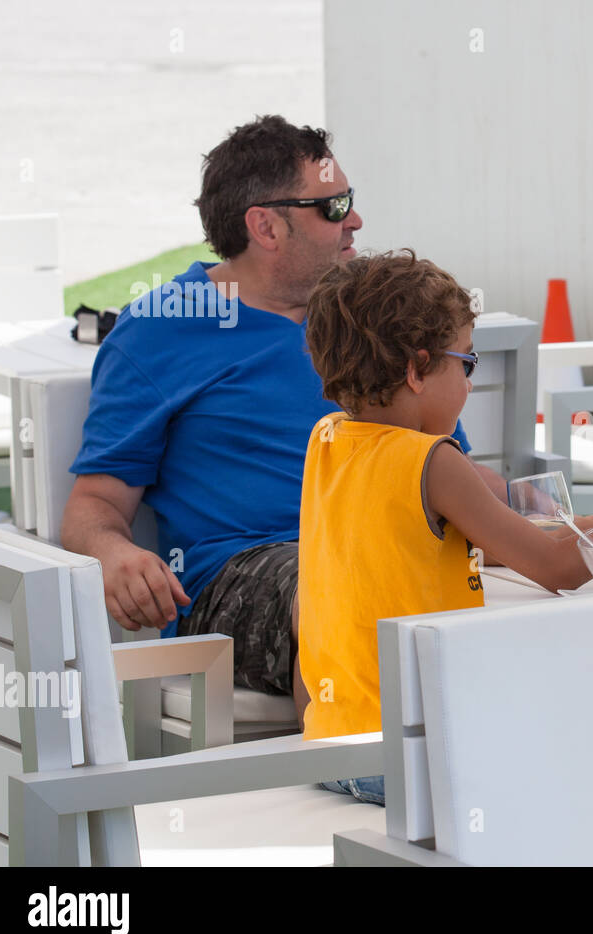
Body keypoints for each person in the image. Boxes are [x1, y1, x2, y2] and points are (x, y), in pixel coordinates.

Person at [62, 116, 505, 728]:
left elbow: (446, 471)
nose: (356, 220)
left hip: (392, 544)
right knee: (337, 577)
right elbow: (94, 502)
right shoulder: (160, 331)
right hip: (242, 571)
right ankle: (361, 773)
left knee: (522, 590)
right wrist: (114, 554)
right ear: (265, 224)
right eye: (335, 205)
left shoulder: (370, 320)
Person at [298, 249, 593, 805]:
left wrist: (589, 528)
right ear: (415, 369)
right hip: (411, 758)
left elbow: (469, 540)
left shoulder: (328, 441)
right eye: (467, 363)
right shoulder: (433, 460)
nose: (470, 382)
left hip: (334, 747)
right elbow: (556, 570)